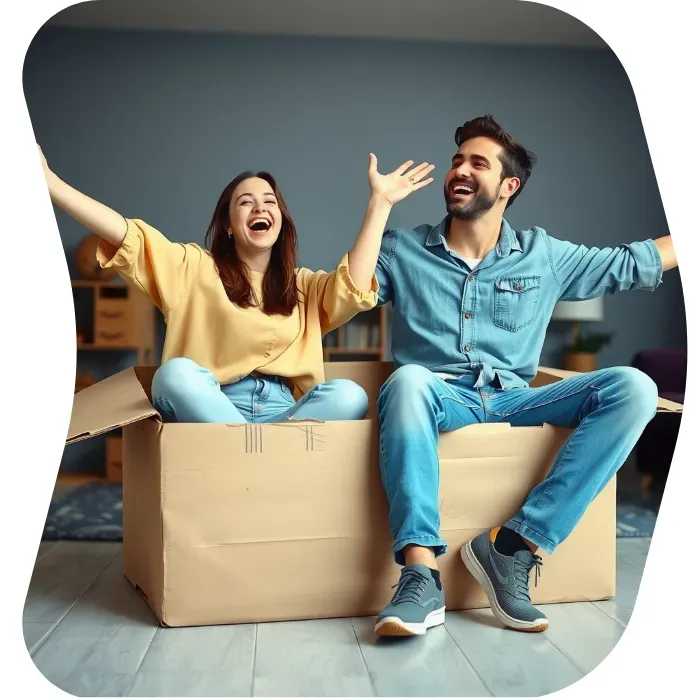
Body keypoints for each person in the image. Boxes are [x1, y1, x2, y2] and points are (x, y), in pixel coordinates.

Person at [370, 115, 678, 637]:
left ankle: (512, 547)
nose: (459, 170)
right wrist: (379, 206)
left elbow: (630, 261)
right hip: (439, 396)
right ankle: (421, 575)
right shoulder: (403, 248)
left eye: (478, 163)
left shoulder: (544, 255)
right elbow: (344, 297)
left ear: (508, 186)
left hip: (516, 400)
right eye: (456, 160)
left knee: (635, 387)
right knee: (407, 381)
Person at [38, 146, 434, 423]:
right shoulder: (193, 268)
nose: (260, 206)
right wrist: (51, 183)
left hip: (285, 415)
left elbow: (354, 285)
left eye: (270, 201)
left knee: (350, 395)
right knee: (173, 375)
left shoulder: (305, 288)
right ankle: (248, 450)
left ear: (281, 222)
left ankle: (250, 452)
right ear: (228, 225)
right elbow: (129, 236)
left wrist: (379, 203)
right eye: (245, 202)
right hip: (210, 405)